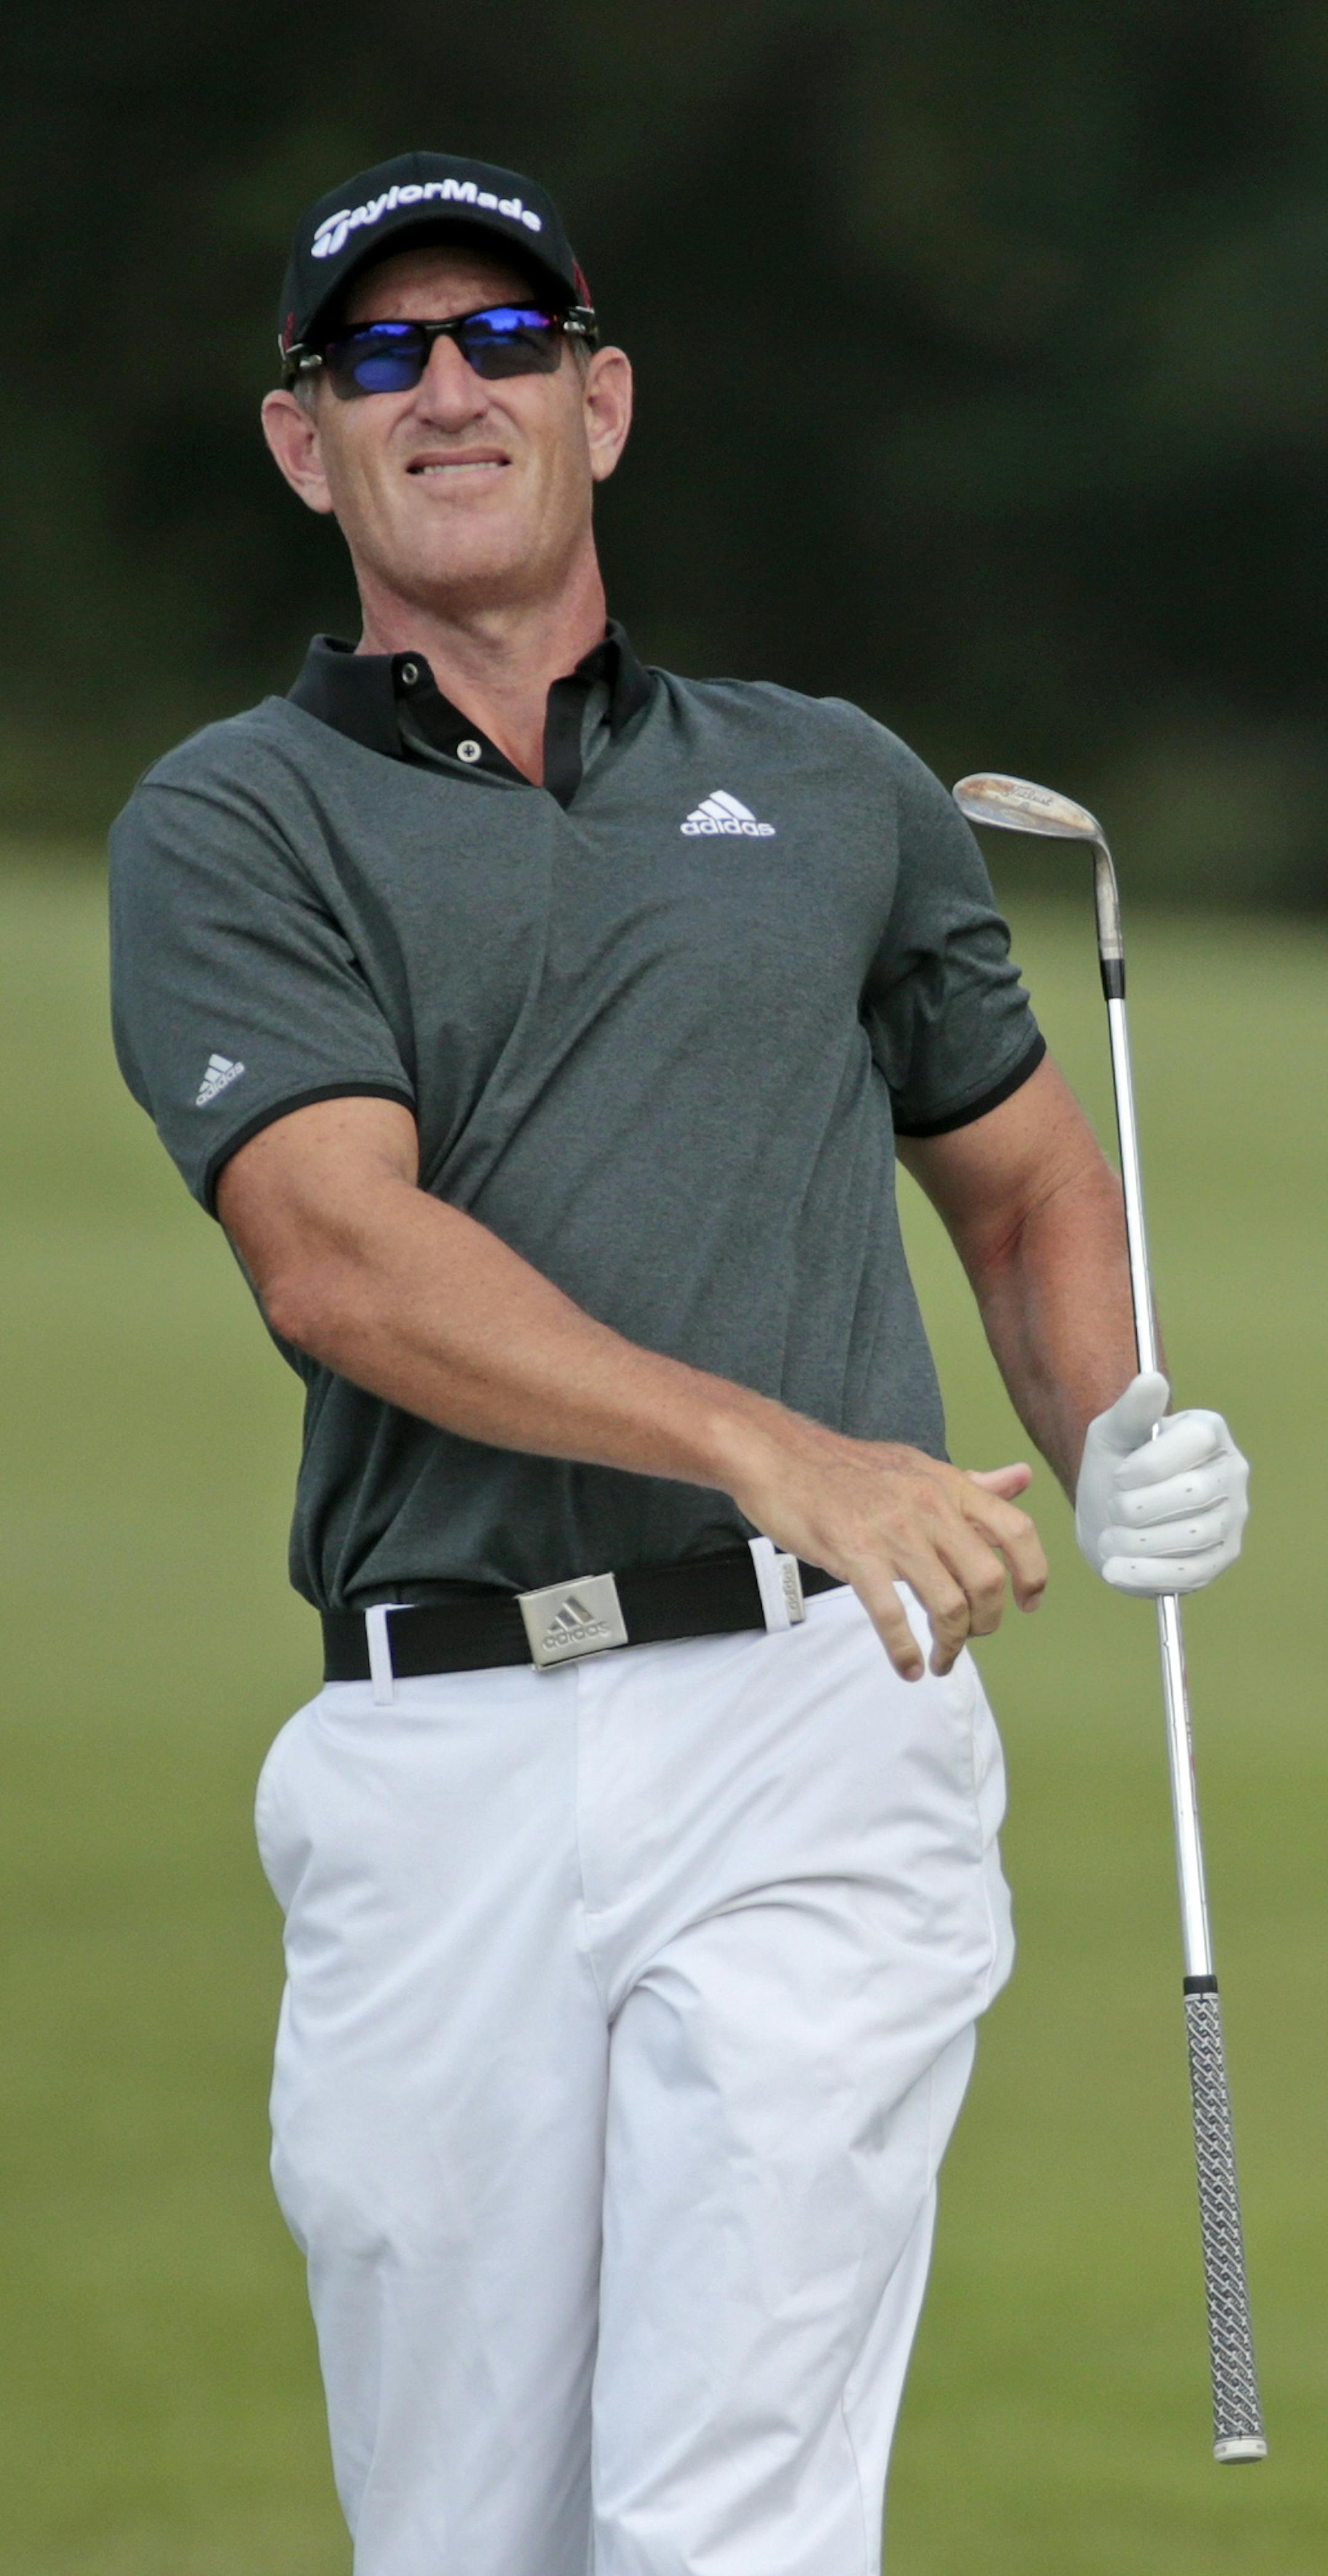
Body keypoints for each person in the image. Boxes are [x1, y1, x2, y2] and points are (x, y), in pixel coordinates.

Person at [108, 151, 1249, 2576]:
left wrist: (1112, 1420)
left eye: (504, 343)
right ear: (304, 442)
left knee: (730, 2521)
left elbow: (1026, 1176)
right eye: (380, 353)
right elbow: (341, 1258)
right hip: (441, 1757)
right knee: (464, 2538)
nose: (449, 388)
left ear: (601, 405)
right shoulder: (232, 823)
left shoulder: (834, 783)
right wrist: (783, 1450)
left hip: (817, 1738)